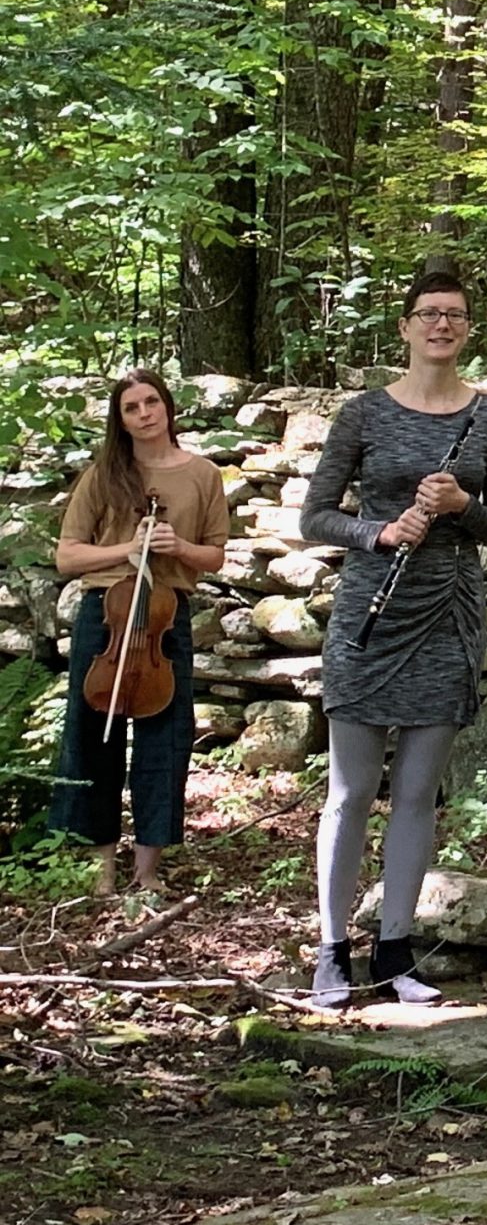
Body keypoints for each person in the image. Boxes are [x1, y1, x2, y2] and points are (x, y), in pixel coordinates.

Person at [303, 263, 487, 1007]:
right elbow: (315, 515)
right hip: (369, 614)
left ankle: (395, 953)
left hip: (448, 616)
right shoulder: (364, 414)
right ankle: (332, 952)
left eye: (454, 314)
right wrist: (379, 530)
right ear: (404, 326)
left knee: (419, 794)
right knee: (351, 790)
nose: (441, 324)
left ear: (466, 329)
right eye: (427, 312)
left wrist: (462, 504)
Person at [49, 368, 229, 903]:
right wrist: (125, 551)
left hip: (164, 615)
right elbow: (67, 556)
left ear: (168, 407)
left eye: (152, 402)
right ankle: (100, 865)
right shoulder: (104, 475)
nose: (145, 413)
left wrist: (177, 548)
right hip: (104, 616)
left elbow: (214, 555)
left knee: (164, 740)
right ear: (120, 419)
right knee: (91, 735)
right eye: (132, 407)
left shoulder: (202, 475)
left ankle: (148, 868)